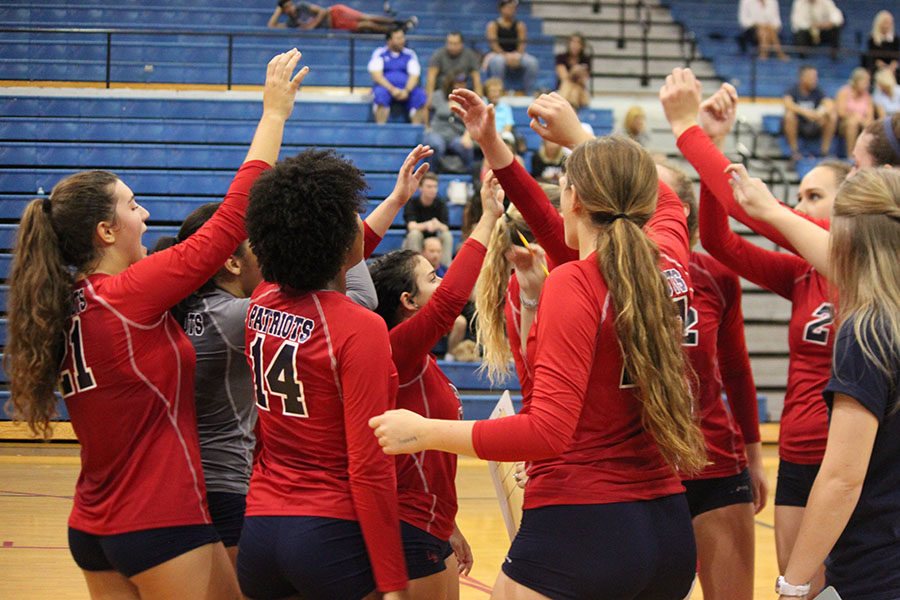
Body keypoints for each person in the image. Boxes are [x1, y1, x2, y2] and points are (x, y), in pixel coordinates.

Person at [370, 84, 707, 600]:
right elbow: (634, 208)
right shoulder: (668, 258)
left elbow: (547, 431)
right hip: (668, 526)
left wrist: (424, 432)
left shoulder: (575, 281)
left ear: (573, 197)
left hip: (582, 526)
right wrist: (567, 141)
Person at [3, 49, 306, 600]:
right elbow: (227, 223)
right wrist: (274, 115)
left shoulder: (68, 300)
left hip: (94, 524)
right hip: (159, 521)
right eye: (132, 205)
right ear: (105, 231)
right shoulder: (128, 294)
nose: (145, 215)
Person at [663, 69, 852, 595]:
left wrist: (691, 132)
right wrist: (711, 151)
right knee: (801, 589)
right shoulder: (802, 272)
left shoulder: (867, 268)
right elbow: (722, 242)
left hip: (856, 453)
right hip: (797, 450)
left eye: (815, 197)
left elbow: (758, 208)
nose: (804, 207)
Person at [235, 147, 410, 600]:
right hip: (328, 533)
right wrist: (392, 581)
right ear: (335, 239)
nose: (360, 225)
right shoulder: (361, 328)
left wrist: (394, 200)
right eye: (354, 218)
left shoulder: (261, 302)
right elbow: (369, 467)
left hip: (260, 529)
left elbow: (327, 255)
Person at [730, 167, 900, 600]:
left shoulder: (868, 330)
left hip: (878, 562)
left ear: (845, 237)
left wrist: (794, 581)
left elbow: (843, 478)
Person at [367, 175, 504, 600]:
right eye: (431, 278)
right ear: (407, 302)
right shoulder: (395, 350)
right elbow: (451, 303)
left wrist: (452, 525)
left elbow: (427, 461)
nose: (442, 282)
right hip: (408, 524)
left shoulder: (420, 358)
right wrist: (485, 220)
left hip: (430, 522)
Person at [655, 156, 768, 600]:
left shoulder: (716, 277)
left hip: (715, 463)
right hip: (641, 470)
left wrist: (755, 459)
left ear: (679, 210)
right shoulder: (607, 271)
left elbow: (737, 372)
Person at [369, 27, 427, 125]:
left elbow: (414, 75)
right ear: (389, 40)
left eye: (402, 38)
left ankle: (416, 132)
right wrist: (392, 89)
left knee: (420, 94)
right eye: (398, 38)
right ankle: (380, 129)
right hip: (387, 88)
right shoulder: (380, 53)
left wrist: (406, 90)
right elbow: (377, 76)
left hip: (406, 89)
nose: (402, 41)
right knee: (380, 94)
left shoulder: (410, 54)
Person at [423, 73, 475, 175]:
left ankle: (467, 177)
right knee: (436, 145)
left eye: (463, 83)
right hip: (437, 132)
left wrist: (467, 136)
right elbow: (426, 108)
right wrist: (427, 126)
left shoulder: (468, 100)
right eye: (458, 83)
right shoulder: (438, 95)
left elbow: (472, 119)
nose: (461, 85)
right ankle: (430, 174)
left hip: (456, 135)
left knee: (466, 146)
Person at [783, 65, 837, 162]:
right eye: (812, 77)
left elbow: (829, 103)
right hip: (799, 124)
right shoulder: (793, 90)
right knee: (789, 115)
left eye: (815, 77)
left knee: (832, 116)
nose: (815, 80)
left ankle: (824, 152)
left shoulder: (818, 90)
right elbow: (787, 103)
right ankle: (794, 152)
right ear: (802, 78)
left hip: (814, 124)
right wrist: (806, 113)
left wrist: (819, 113)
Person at [485, 0, 540, 95]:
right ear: (501, 9)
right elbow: (494, 45)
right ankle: (498, 93)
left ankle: (529, 93)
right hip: (498, 54)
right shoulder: (493, 25)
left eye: (513, 8)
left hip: (516, 55)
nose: (511, 10)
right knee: (498, 62)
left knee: (532, 62)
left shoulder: (520, 25)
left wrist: (517, 55)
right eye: (509, 8)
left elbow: (522, 44)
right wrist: (505, 56)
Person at [267, 0, 417, 33]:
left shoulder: (301, 7)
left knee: (367, 17)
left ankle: (399, 22)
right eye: (286, 7)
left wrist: (312, 25)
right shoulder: (292, 22)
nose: (291, 7)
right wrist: (278, 11)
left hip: (335, 12)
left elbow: (323, 11)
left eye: (290, 4)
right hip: (335, 24)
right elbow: (271, 26)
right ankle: (395, 31)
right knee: (366, 25)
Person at [402, 173, 454, 267]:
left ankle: (445, 270)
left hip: (434, 241)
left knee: (447, 235)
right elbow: (411, 226)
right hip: (418, 241)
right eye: (429, 186)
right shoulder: (412, 203)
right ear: (420, 188)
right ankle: (416, 268)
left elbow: (445, 227)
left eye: (435, 187)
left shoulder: (441, 203)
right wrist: (427, 225)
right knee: (414, 234)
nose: (433, 190)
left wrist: (437, 225)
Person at [425, 32, 483, 113]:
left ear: (462, 44)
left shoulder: (470, 55)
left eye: (455, 44)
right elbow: (431, 76)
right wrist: (429, 97)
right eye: (450, 43)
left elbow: (476, 77)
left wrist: (479, 97)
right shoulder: (439, 54)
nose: (452, 46)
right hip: (443, 92)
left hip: (464, 92)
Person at [835, 68, 875, 161]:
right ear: (856, 81)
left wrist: (861, 120)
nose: (868, 84)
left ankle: (869, 158)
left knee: (871, 126)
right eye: (865, 81)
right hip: (843, 124)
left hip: (862, 123)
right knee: (852, 123)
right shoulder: (844, 92)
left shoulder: (867, 96)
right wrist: (855, 116)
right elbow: (841, 112)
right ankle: (851, 157)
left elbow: (870, 116)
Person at [555, 33, 592, 109]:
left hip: (579, 90)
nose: (575, 45)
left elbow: (583, 80)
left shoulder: (586, 59)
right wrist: (575, 71)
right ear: (569, 44)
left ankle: (566, 108)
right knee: (570, 88)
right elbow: (563, 77)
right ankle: (571, 109)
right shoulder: (561, 57)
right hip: (564, 87)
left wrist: (577, 74)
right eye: (573, 42)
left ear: (582, 46)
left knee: (574, 89)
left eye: (578, 42)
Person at [862, 10, 898, 79]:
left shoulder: (895, 39)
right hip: (877, 66)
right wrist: (884, 67)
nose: (887, 25)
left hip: (891, 68)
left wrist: (891, 67)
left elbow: (896, 58)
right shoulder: (872, 38)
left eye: (889, 23)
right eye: (885, 22)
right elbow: (873, 57)